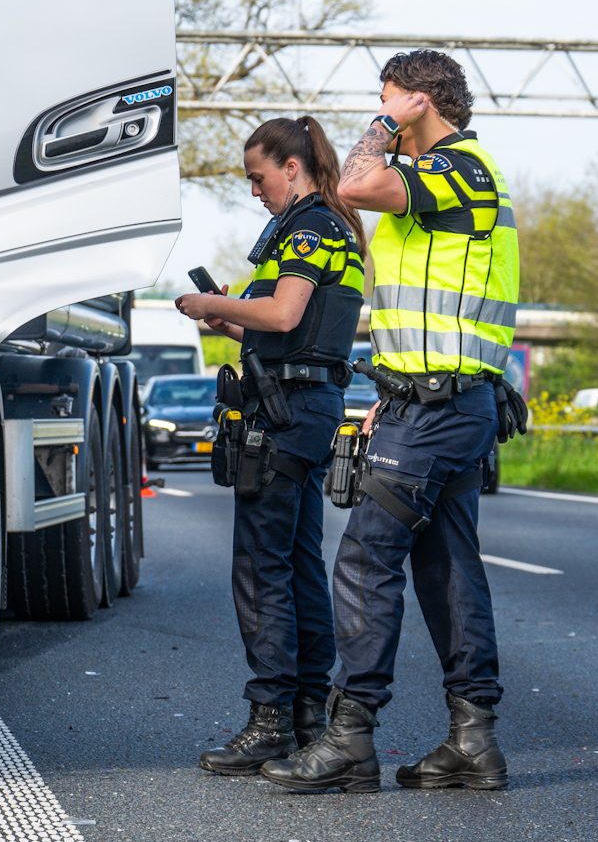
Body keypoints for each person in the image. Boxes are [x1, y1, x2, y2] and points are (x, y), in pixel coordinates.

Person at [260, 50, 518, 795]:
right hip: (429, 400)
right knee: (446, 566)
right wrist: (397, 386)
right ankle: (473, 741)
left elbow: (352, 182)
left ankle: (350, 735)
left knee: (365, 560)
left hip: (442, 408)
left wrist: (383, 123)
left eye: (388, 97)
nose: (379, 113)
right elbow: (436, 302)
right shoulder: (437, 182)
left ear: (418, 101)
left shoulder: (458, 169)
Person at [174, 117, 367, 776]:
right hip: (305, 405)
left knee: (262, 570)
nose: (255, 190)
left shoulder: (310, 227)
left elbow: (283, 315)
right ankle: (309, 713)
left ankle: (271, 720)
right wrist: (230, 319)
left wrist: (203, 303)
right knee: (296, 563)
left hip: (286, 414)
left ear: (292, 166)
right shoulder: (322, 227)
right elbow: (290, 331)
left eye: (258, 176)